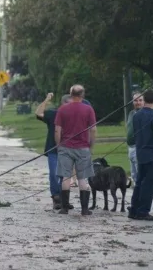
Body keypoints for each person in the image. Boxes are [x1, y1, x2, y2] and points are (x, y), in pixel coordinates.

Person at [54, 85, 97, 215]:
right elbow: (93, 129)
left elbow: (57, 130)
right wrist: (91, 145)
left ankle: (65, 208)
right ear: (83, 94)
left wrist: (58, 145)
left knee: (66, 177)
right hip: (83, 147)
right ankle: (84, 209)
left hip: (65, 147)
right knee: (82, 178)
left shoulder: (62, 109)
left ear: (70, 94)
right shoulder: (88, 109)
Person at [128, 89, 153, 221]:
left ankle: (134, 209)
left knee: (140, 181)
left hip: (140, 152)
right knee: (149, 184)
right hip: (152, 153)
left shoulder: (136, 116)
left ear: (144, 99)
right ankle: (143, 211)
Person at [36, 92, 74, 210]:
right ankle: (56, 197)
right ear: (63, 104)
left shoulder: (74, 116)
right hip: (53, 149)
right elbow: (38, 113)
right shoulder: (53, 114)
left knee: (65, 176)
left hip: (69, 149)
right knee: (54, 173)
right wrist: (46, 100)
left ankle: (64, 200)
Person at [126, 92, 144, 184]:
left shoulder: (145, 114)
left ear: (144, 101)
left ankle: (142, 194)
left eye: (140, 100)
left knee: (139, 173)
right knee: (133, 175)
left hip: (139, 147)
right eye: (135, 100)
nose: (138, 102)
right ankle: (137, 194)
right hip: (131, 147)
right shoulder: (131, 113)